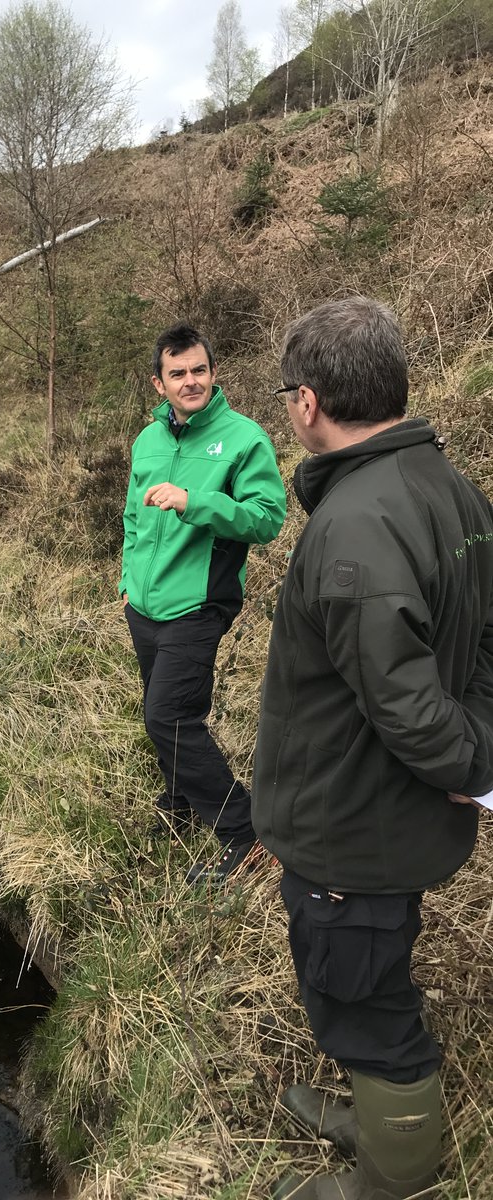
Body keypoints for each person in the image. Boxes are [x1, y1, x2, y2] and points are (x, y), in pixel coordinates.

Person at [251, 296, 493, 1199]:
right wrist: (478, 748)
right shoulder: (449, 486)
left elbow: (408, 705)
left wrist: (472, 766)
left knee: (362, 1000)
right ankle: (376, 1114)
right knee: (369, 969)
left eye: (286, 395)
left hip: (355, 828)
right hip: (387, 818)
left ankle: (391, 1178)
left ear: (307, 401)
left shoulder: (356, 526)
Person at [120, 323, 286, 881]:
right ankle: (181, 801)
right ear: (159, 383)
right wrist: (127, 582)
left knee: (168, 717)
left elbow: (267, 518)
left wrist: (195, 502)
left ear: (213, 373)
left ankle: (243, 832)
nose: (190, 381)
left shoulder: (243, 439)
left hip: (198, 606)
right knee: (164, 710)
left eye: (199, 370)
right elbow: (132, 517)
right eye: (178, 373)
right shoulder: (148, 440)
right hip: (144, 607)